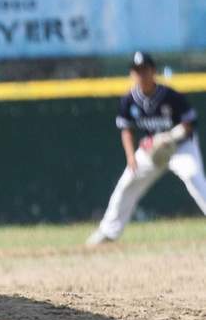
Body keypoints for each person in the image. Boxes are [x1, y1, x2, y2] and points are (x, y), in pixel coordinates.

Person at [86, 51, 206, 246]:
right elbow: (126, 129)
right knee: (127, 183)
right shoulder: (129, 100)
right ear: (132, 74)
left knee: (194, 176)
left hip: (180, 147)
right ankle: (108, 232)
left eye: (145, 70)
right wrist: (130, 157)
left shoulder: (169, 95)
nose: (141, 75)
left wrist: (170, 136)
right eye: (137, 71)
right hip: (151, 150)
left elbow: (190, 122)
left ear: (153, 71)